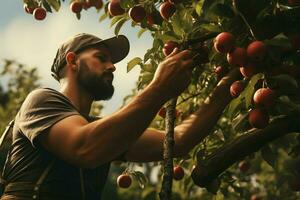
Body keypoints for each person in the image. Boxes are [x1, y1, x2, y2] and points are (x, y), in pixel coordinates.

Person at [0, 33, 240, 200]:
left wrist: (229, 84)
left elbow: (178, 140)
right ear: (72, 60)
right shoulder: (41, 100)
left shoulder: (104, 133)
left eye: (112, 61)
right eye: (101, 58)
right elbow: (84, 147)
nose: (113, 66)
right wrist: (159, 88)